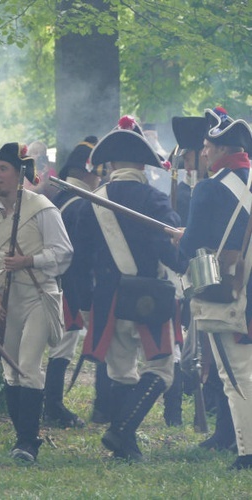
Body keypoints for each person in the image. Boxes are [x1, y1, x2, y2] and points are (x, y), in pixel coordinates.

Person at [73, 115, 187, 462]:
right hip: (150, 296)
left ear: (111, 163)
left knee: (121, 370)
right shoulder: (154, 200)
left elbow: (79, 261)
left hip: (107, 298)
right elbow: (172, 254)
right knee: (161, 370)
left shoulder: (88, 202)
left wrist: (83, 303)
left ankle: (124, 439)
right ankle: (122, 432)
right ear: (141, 163)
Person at [0, 142, 73, 463]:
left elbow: (63, 252)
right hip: (5, 301)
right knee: (11, 371)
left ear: (19, 175)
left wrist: (29, 260)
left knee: (28, 367)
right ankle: (21, 437)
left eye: (3, 169)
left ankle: (29, 442)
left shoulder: (42, 208)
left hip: (39, 296)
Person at [176, 107, 252, 470]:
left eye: (207, 146)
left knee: (237, 373)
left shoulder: (209, 189)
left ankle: (247, 452)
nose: (203, 152)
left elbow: (189, 249)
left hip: (235, 297)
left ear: (221, 150)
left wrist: (178, 246)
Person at [45, 136, 101, 429]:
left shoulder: (61, 199)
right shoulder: (80, 205)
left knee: (63, 343)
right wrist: (84, 299)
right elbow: (78, 259)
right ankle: (52, 405)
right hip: (67, 286)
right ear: (86, 171)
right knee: (63, 345)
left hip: (56, 282)